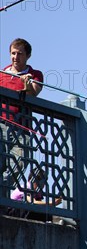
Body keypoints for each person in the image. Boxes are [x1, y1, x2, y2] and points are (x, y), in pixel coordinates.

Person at [1, 38, 44, 210]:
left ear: (28, 56)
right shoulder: (2, 74)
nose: (15, 57)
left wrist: (27, 84)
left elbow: (34, 94)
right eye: (13, 53)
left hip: (22, 127)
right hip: (1, 125)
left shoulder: (35, 74)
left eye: (19, 54)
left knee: (19, 163)